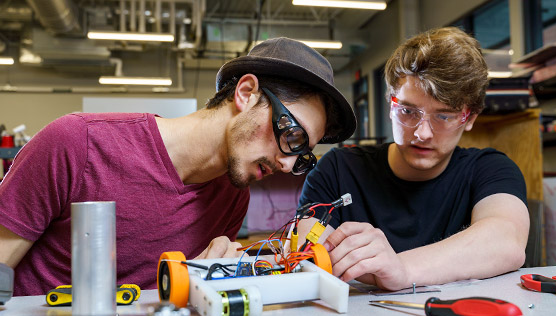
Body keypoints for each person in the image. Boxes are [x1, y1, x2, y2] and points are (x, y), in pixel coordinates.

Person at [0, 37, 356, 296]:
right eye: (292, 137)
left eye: (302, 156)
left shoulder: (232, 196)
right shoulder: (77, 142)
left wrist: (199, 277)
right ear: (246, 93)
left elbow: (170, 298)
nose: (286, 163)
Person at [297, 27, 529, 291]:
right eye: (408, 111)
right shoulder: (338, 170)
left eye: (444, 116)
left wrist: (401, 269)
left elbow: (506, 241)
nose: (422, 133)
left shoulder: (490, 170)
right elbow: (306, 254)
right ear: (390, 105)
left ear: (470, 118)